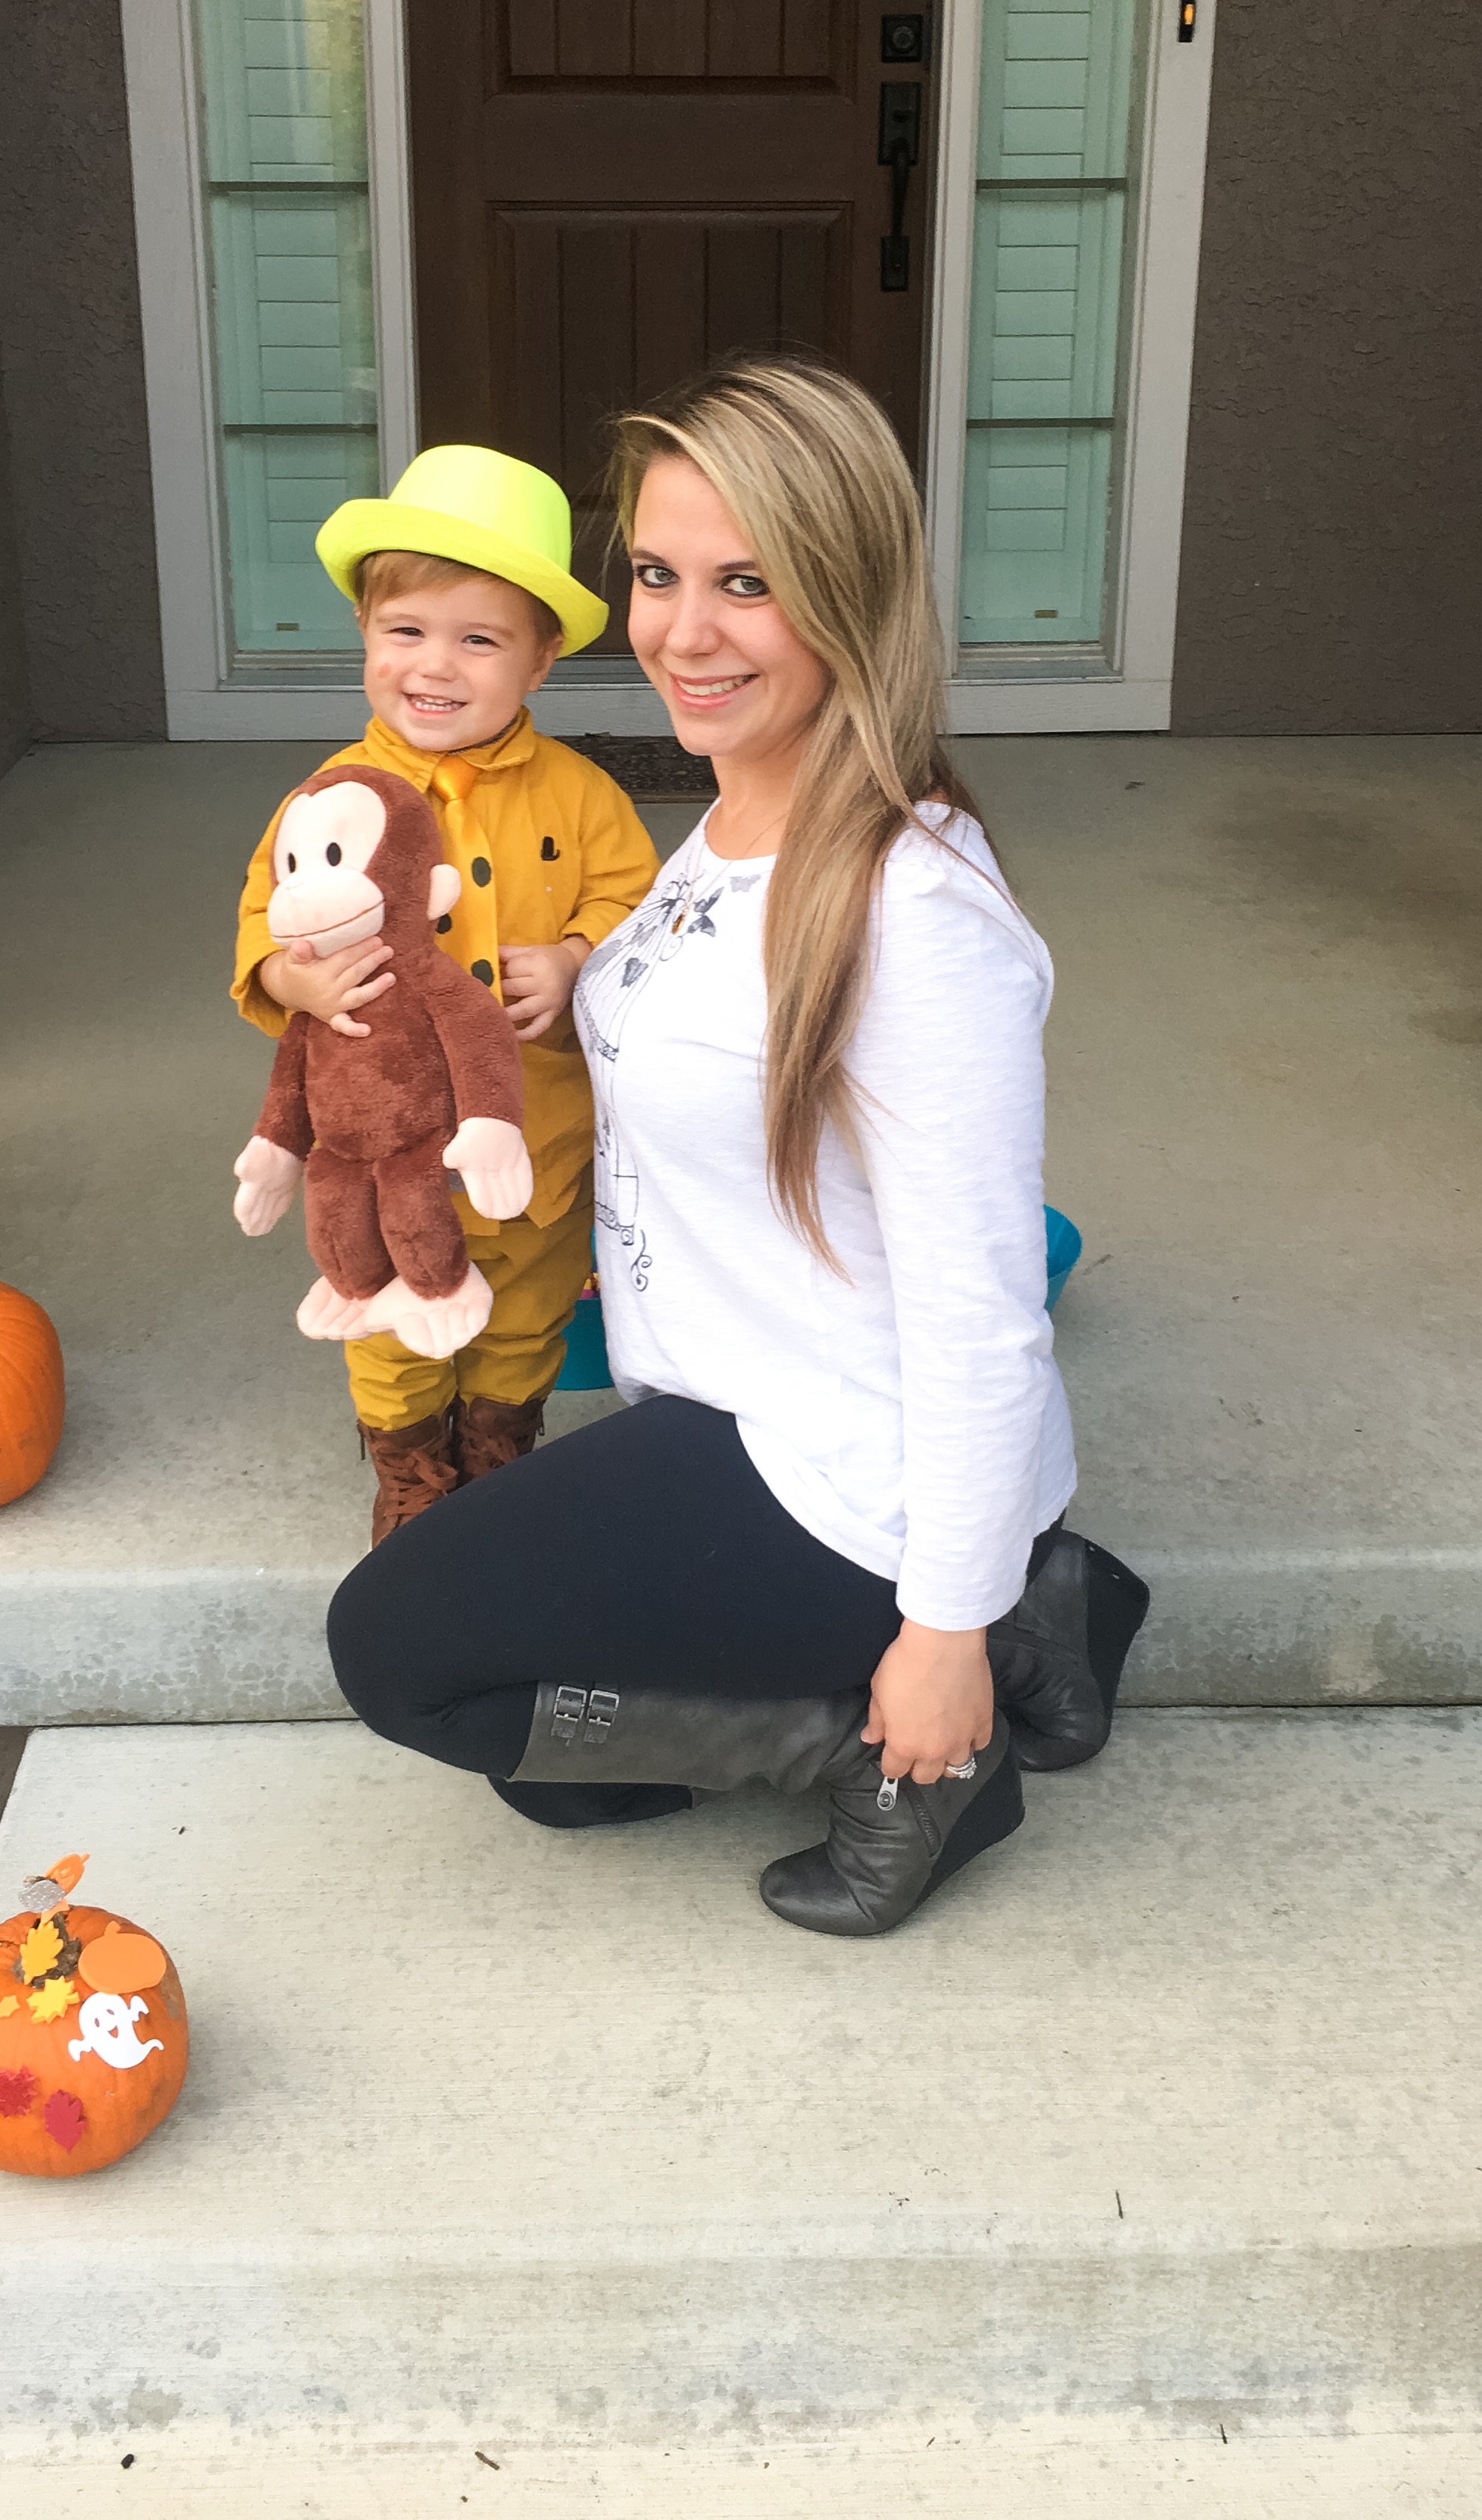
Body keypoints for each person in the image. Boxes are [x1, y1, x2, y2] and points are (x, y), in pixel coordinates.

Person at [327, 362, 1148, 1936]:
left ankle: (906, 1752)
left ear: (847, 597)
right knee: (554, 1764)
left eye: (745, 585)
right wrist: (560, 990)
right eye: (656, 574)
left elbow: (982, 1312)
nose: (682, 634)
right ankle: (1060, 1611)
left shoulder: (916, 923)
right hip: (727, 1393)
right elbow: (693, 982)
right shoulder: (739, 812)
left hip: (840, 1470)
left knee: (405, 1660)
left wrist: (943, 1630)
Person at [231, 446, 658, 1542]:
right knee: (385, 1315)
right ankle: (411, 1468)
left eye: (480, 639)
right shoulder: (328, 801)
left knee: (523, 1316)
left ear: (541, 659)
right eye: (406, 632)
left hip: (536, 1136)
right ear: (367, 638)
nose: (436, 665)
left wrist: (574, 958)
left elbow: (640, 905)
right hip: (379, 1143)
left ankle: (499, 1447)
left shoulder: (581, 792)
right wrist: (296, 978)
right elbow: (259, 925)